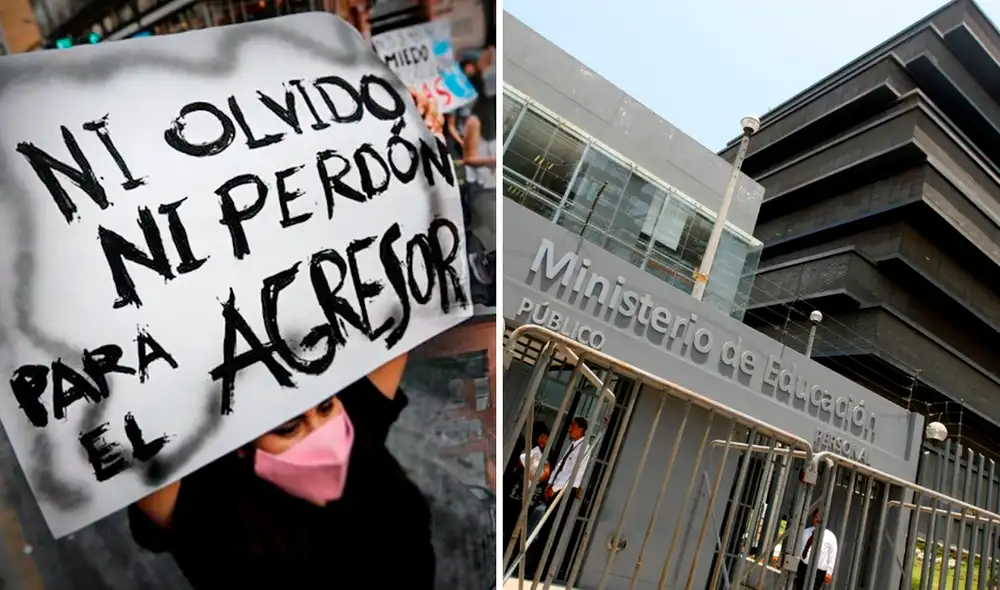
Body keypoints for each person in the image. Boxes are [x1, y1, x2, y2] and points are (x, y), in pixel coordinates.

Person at [127, 87, 444, 590]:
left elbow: (407, 292)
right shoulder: (207, 513)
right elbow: (130, 419)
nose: (322, 434)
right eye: (290, 428)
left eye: (324, 410)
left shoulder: (350, 425)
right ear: (239, 443)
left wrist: (404, 143)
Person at [524, 416, 592, 576]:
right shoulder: (573, 446)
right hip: (556, 489)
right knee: (546, 527)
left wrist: (554, 488)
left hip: (563, 491)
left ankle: (543, 568)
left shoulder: (584, 448)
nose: (570, 429)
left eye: (573, 426)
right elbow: (561, 468)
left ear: (581, 429)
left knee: (552, 529)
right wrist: (550, 484)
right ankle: (537, 564)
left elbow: (573, 474)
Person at [503, 422, 551, 550]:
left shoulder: (536, 453)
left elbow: (545, 473)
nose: (546, 441)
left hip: (520, 497)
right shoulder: (529, 450)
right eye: (544, 437)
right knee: (509, 528)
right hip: (517, 496)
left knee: (509, 528)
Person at [793, 510, 838, 590]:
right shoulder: (806, 532)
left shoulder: (830, 536)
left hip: (819, 572)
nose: (817, 519)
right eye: (816, 517)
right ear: (813, 518)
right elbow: (800, 548)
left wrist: (829, 572)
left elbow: (832, 555)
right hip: (803, 566)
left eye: (819, 518)